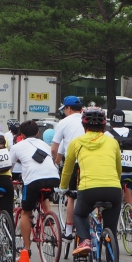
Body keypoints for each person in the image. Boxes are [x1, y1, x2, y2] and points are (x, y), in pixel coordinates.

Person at [60, 107, 122, 256]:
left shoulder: (76, 142)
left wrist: (62, 187)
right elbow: (118, 168)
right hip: (114, 189)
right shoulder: (112, 142)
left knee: (79, 215)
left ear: (84, 125)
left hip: (89, 189)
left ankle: (85, 241)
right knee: (111, 230)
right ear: (103, 125)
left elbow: (67, 170)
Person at [10, 120, 60, 256]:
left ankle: (26, 248)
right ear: (38, 133)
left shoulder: (17, 146)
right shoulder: (44, 144)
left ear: (22, 135)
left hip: (33, 181)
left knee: (26, 212)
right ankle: (49, 216)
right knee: (44, 193)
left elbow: (10, 167)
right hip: (54, 178)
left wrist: (9, 179)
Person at [50, 96, 84, 239]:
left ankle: (69, 230)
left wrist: (54, 164)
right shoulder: (86, 119)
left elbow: (55, 149)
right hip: (88, 161)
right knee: (87, 195)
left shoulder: (63, 123)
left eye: (64, 108)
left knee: (71, 196)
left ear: (69, 109)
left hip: (74, 161)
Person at [105, 109, 132, 207]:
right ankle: (131, 210)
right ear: (124, 121)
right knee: (127, 188)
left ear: (110, 123)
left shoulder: (107, 135)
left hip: (115, 174)